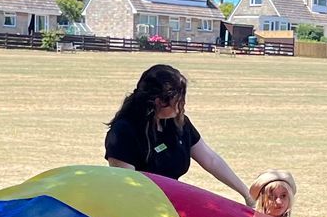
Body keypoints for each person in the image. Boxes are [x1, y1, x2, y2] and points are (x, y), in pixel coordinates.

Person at [103, 64, 252, 202]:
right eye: (178, 100)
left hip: (172, 204)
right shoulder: (123, 132)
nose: (182, 105)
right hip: (143, 208)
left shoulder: (178, 123)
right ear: (158, 101)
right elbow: (127, 187)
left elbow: (211, 160)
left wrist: (246, 194)